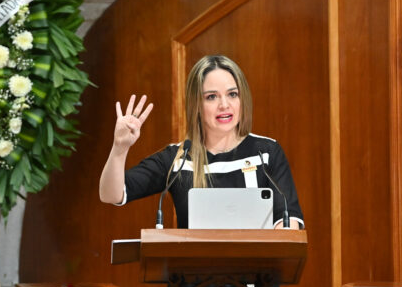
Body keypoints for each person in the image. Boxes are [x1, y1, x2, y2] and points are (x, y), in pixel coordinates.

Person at [99, 55, 304, 229]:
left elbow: (288, 223)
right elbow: (111, 194)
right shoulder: (178, 159)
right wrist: (120, 148)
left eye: (232, 94)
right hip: (194, 266)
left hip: (256, 266)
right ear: (196, 104)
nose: (224, 104)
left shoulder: (266, 153)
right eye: (211, 97)